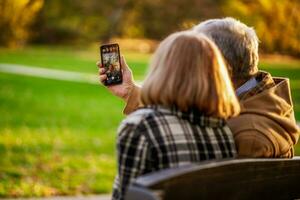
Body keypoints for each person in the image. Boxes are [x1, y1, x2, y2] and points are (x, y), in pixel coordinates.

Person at [98, 17, 299, 158]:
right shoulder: (259, 104)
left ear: (221, 67)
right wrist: (131, 92)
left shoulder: (246, 136)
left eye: (196, 56)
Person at [110, 31, 240, 200]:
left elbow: (125, 196)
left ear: (162, 69)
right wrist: (130, 92)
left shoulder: (139, 127)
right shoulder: (224, 130)